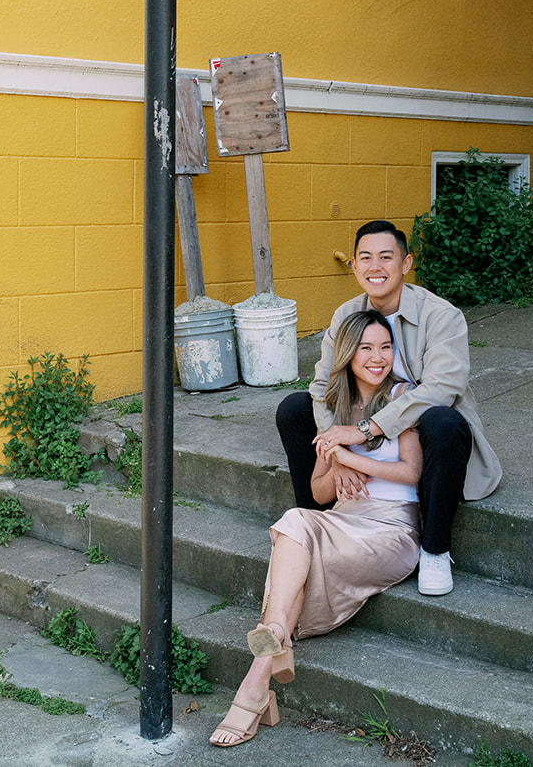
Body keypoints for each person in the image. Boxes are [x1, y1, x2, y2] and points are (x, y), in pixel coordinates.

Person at [210, 310, 422, 749]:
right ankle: (264, 668)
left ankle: (256, 683)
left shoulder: (403, 396)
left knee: (296, 535)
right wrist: (333, 455)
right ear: (347, 355)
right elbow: (319, 493)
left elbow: (410, 471)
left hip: (390, 529)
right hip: (344, 518)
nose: (378, 357)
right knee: (297, 518)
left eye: (386, 347)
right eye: (366, 348)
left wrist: (348, 453)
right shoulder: (334, 408)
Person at [276, 219, 501, 597]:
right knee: (294, 409)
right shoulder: (347, 314)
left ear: (406, 263)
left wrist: (365, 431)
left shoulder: (441, 316)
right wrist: (338, 453)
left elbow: (443, 387)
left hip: (424, 435)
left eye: (386, 257)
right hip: (358, 425)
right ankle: (319, 520)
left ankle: (434, 549)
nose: (375, 267)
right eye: (365, 257)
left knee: (443, 421)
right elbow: (322, 384)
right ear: (353, 266)